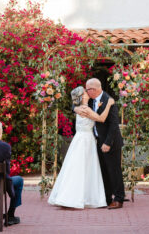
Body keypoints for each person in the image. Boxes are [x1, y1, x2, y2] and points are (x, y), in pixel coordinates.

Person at [48, 86, 114, 209]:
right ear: (82, 96)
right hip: (85, 140)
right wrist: (109, 105)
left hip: (80, 139)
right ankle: (79, 197)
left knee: (79, 168)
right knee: (84, 168)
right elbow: (101, 119)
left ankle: (77, 196)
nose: (87, 92)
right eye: (85, 92)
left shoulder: (80, 108)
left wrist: (98, 107)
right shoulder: (84, 109)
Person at [75, 78, 125, 209]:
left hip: (111, 142)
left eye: (88, 89)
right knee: (103, 171)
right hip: (97, 142)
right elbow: (75, 103)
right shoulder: (90, 101)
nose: (86, 91)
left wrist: (108, 143)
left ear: (94, 89)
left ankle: (119, 199)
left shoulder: (109, 100)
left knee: (114, 171)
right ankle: (107, 198)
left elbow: (114, 125)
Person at [0, 119, 23, 226]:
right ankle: (10, 215)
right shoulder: (5, 147)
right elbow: (6, 172)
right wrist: (11, 191)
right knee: (19, 180)